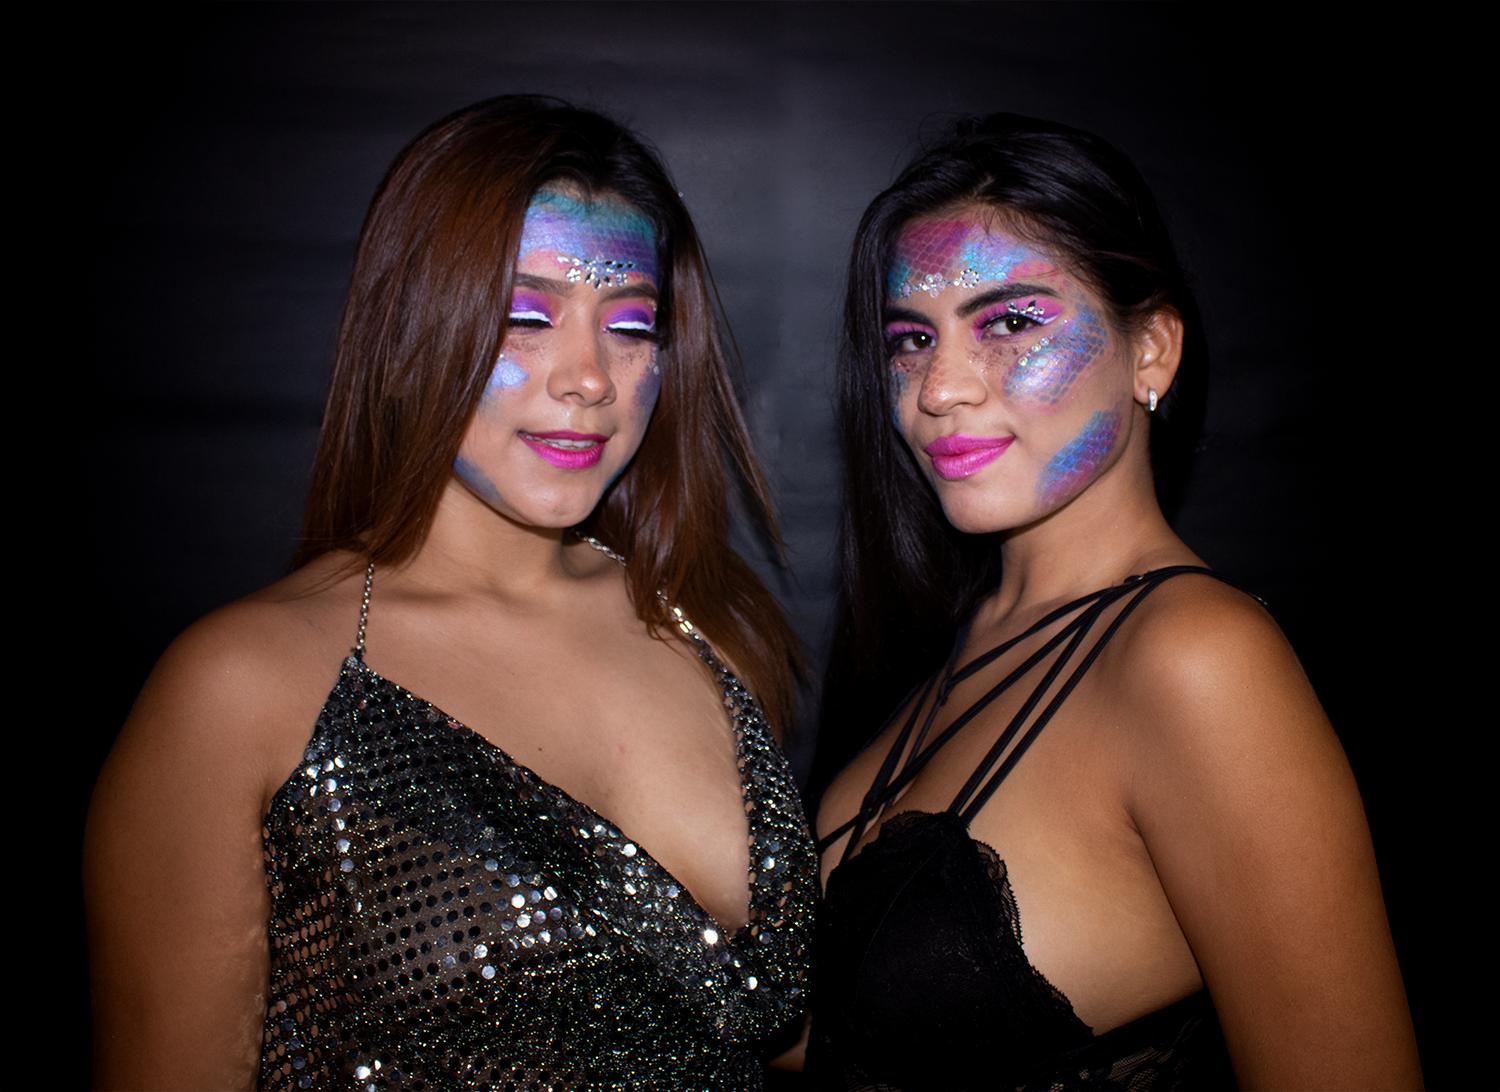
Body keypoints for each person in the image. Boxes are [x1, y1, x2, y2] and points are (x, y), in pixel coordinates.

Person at [86, 96, 816, 1091]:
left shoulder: (709, 634)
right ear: (411, 330)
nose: (589, 378)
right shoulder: (245, 686)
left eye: (630, 325)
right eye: (526, 317)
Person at [808, 115, 1420, 1090]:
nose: (941, 388)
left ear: (1153, 352)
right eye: (912, 339)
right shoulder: (949, 641)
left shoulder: (1198, 660)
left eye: (1010, 323)